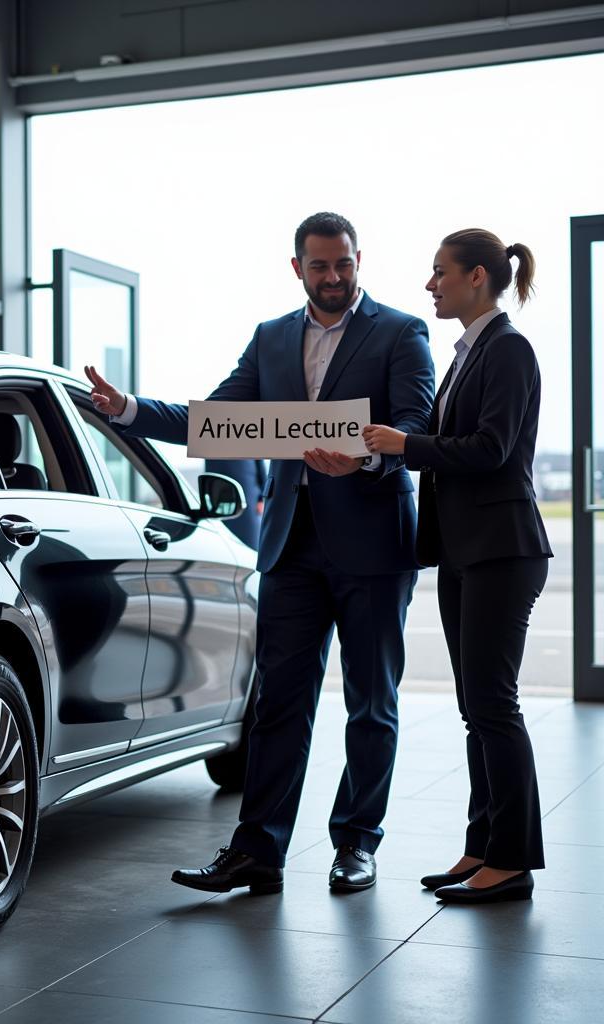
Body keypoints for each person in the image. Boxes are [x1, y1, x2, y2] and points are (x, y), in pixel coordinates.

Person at [85, 212, 435, 894]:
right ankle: (258, 851)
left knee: (370, 703)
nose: (333, 277)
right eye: (320, 266)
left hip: (372, 544)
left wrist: (363, 456)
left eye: (344, 264)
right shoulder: (272, 338)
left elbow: (417, 425)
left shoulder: (399, 331)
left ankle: (357, 844)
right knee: (276, 703)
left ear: (360, 261)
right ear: (297, 267)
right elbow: (215, 421)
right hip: (291, 549)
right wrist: (128, 409)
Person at [363, 229, 551, 904]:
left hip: (503, 548)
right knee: (478, 707)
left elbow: (492, 448)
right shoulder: (471, 353)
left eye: (439, 272)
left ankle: (512, 859)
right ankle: (482, 845)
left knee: (494, 705)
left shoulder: (508, 349)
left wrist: (406, 443)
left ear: (477, 277)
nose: (430, 283)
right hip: (468, 551)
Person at [205, 458, 267, 547]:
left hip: (248, 493)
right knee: (225, 539)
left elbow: (260, 462)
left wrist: (261, 497)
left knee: (251, 537)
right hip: (220, 495)